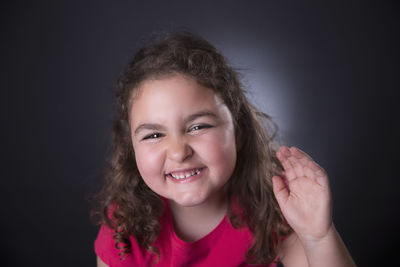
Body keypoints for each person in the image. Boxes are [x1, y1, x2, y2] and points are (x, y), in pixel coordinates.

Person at [94, 32, 356, 267]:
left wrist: (318, 238)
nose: (178, 152)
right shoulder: (123, 225)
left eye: (198, 127)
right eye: (153, 134)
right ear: (132, 149)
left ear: (238, 132)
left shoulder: (276, 205)